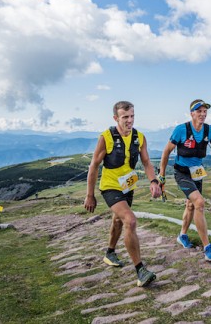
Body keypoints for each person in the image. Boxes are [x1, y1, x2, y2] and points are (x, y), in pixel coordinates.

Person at [84, 101, 162, 287]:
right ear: (116, 118)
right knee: (130, 220)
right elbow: (94, 166)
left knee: (118, 220)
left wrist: (153, 181)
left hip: (128, 185)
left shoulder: (139, 137)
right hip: (110, 186)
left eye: (132, 116)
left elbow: (146, 162)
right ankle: (140, 270)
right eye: (125, 117)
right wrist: (90, 194)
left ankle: (110, 252)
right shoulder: (106, 137)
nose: (129, 120)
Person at [159, 99, 211, 262]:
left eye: (204, 111)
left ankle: (182, 235)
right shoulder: (181, 130)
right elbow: (166, 152)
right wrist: (162, 176)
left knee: (191, 205)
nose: (202, 114)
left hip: (197, 173)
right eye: (199, 111)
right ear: (192, 113)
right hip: (182, 172)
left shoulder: (209, 130)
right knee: (199, 203)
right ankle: (208, 248)